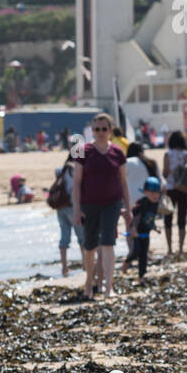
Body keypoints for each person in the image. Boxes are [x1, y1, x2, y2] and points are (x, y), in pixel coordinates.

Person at [71, 113, 131, 300]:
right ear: (92, 131)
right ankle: (89, 284)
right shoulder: (82, 150)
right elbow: (76, 183)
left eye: (104, 129)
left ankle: (108, 287)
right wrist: (76, 209)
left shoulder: (117, 152)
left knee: (108, 242)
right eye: (96, 129)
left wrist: (128, 208)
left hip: (112, 204)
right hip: (89, 204)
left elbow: (123, 182)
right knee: (89, 246)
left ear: (110, 131)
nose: (100, 133)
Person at [121, 142, 159, 273]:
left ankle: (132, 254)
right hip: (150, 200)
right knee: (145, 227)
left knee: (131, 228)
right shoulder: (150, 163)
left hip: (131, 201)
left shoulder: (127, 162)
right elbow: (160, 180)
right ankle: (141, 255)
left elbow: (119, 180)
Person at [54, 141, 85, 277]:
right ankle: (85, 264)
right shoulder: (77, 168)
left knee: (64, 238)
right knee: (82, 237)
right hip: (74, 206)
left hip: (60, 206)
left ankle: (64, 267)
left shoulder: (61, 169)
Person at [162, 130, 187, 259]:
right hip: (184, 189)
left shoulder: (167, 155)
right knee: (182, 219)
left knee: (168, 219)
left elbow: (164, 173)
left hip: (170, 189)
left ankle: (169, 249)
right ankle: (180, 249)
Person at [127, 177, 162, 280]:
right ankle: (126, 263)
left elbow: (150, 219)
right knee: (136, 251)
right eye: (152, 193)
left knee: (144, 255)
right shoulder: (142, 203)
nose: (155, 195)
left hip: (146, 233)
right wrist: (132, 229)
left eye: (157, 193)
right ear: (145, 192)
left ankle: (141, 276)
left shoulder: (155, 205)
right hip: (136, 233)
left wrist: (155, 228)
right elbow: (133, 217)